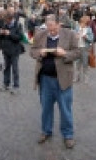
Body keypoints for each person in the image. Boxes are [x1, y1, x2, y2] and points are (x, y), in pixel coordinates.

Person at [30, 14, 79, 149]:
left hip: (63, 79)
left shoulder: (70, 34)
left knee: (65, 109)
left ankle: (68, 135)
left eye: (53, 29)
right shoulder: (40, 35)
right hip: (45, 79)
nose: (51, 31)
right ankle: (46, 131)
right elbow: (32, 51)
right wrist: (40, 53)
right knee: (45, 108)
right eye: (49, 28)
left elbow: (77, 52)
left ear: (59, 24)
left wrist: (65, 54)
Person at [0, 10, 25, 94]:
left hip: (14, 50)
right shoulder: (5, 25)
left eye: (6, 20)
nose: (5, 22)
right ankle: (6, 84)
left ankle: (16, 86)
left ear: (10, 19)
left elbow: (20, 37)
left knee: (15, 69)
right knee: (6, 68)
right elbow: (0, 37)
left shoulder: (18, 25)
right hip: (6, 50)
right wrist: (1, 33)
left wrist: (10, 34)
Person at [73, 14, 94, 84]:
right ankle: (76, 77)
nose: (81, 24)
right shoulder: (77, 28)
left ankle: (86, 78)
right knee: (77, 63)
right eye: (81, 22)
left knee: (85, 63)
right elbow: (73, 36)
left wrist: (86, 37)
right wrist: (75, 36)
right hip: (78, 48)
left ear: (86, 23)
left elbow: (91, 39)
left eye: (83, 22)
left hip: (85, 48)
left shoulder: (88, 29)